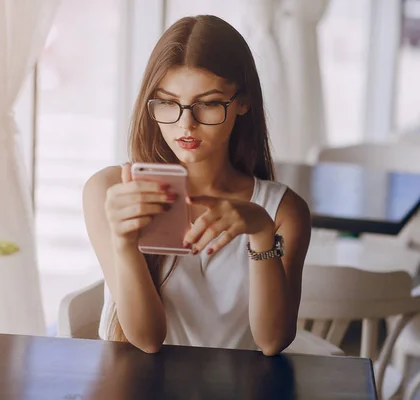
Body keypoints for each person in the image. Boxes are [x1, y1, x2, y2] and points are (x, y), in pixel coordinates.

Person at [82, 15, 311, 356]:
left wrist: (261, 230)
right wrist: (124, 243)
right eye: (167, 102)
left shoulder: (281, 211)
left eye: (207, 104)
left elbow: (272, 341)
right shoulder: (111, 191)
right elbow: (146, 339)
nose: (185, 124)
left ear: (243, 103)